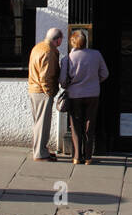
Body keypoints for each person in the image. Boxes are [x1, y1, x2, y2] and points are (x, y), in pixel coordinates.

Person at [61, 30, 108, 165]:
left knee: (75, 126)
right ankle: (88, 157)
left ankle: (76, 156)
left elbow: (63, 81)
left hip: (75, 95)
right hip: (93, 94)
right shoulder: (96, 55)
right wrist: (93, 81)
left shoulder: (67, 59)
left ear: (72, 42)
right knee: (90, 124)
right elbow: (105, 73)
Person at [27, 27, 63, 161]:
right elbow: (45, 77)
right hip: (42, 91)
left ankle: (40, 149)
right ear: (58, 40)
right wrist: (50, 92)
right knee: (43, 124)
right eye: (61, 39)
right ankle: (40, 153)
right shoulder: (49, 52)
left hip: (33, 89)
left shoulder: (38, 47)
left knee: (38, 123)